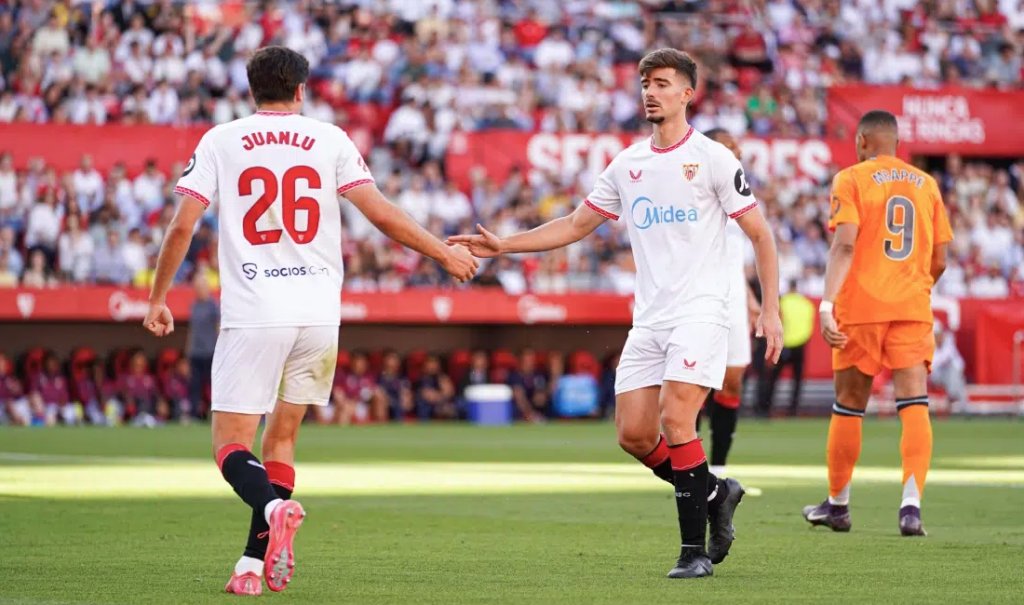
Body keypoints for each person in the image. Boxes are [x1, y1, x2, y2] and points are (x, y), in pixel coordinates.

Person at [142, 46, 477, 596]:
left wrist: (158, 298)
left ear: (251, 89)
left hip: (256, 311)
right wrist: (443, 253)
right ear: (301, 89)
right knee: (283, 439)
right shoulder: (331, 138)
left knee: (230, 445)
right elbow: (380, 213)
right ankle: (251, 567)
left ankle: (273, 508)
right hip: (319, 315)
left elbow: (183, 226)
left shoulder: (222, 139)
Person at [449, 48, 783, 579]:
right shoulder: (628, 165)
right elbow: (575, 224)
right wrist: (506, 245)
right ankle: (716, 493)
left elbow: (761, 236)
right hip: (649, 319)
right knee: (633, 434)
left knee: (677, 419)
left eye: (663, 83)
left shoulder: (714, 158)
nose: (651, 91)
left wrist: (771, 310)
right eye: (646, 83)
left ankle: (693, 553)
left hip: (701, 313)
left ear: (687, 93)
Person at [804, 110, 953, 537]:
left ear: (863, 141)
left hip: (861, 307)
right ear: (897, 143)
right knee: (914, 403)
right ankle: (911, 506)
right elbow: (940, 258)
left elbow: (844, 245)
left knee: (849, 404)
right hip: (911, 306)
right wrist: (915, 287)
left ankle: (838, 505)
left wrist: (827, 304)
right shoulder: (926, 184)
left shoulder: (851, 178)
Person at [701, 128, 761, 477]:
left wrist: (750, 298)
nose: (737, 152)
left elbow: (735, 255)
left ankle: (720, 468)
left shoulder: (741, 191)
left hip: (734, 297)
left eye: (737, 147)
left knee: (733, 379)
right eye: (729, 146)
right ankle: (688, 471)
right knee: (691, 383)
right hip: (700, 294)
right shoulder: (695, 191)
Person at [755, 280, 815, 416]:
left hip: (783, 344)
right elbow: (809, 325)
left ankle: (766, 407)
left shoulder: (782, 302)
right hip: (800, 344)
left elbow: (778, 321)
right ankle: (793, 408)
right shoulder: (807, 304)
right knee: (797, 380)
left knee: (773, 378)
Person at [187, 271, 218, 419]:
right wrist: (188, 350)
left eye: (202, 286)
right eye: (197, 287)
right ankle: (195, 414)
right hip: (196, 352)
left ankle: (215, 413)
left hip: (210, 351)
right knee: (195, 385)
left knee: (213, 386)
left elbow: (218, 328)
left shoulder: (213, 306)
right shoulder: (194, 306)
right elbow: (192, 330)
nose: (199, 290)